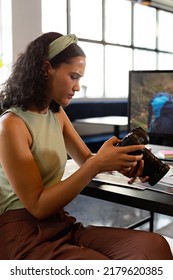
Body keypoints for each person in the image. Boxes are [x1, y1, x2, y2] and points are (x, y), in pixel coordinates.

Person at [0, 32, 172, 260]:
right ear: (46, 68)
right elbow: (38, 206)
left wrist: (122, 162)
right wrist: (98, 162)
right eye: (73, 76)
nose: (78, 87)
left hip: (59, 223)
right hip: (23, 234)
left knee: (154, 245)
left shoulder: (56, 113)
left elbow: (87, 161)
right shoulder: (11, 125)